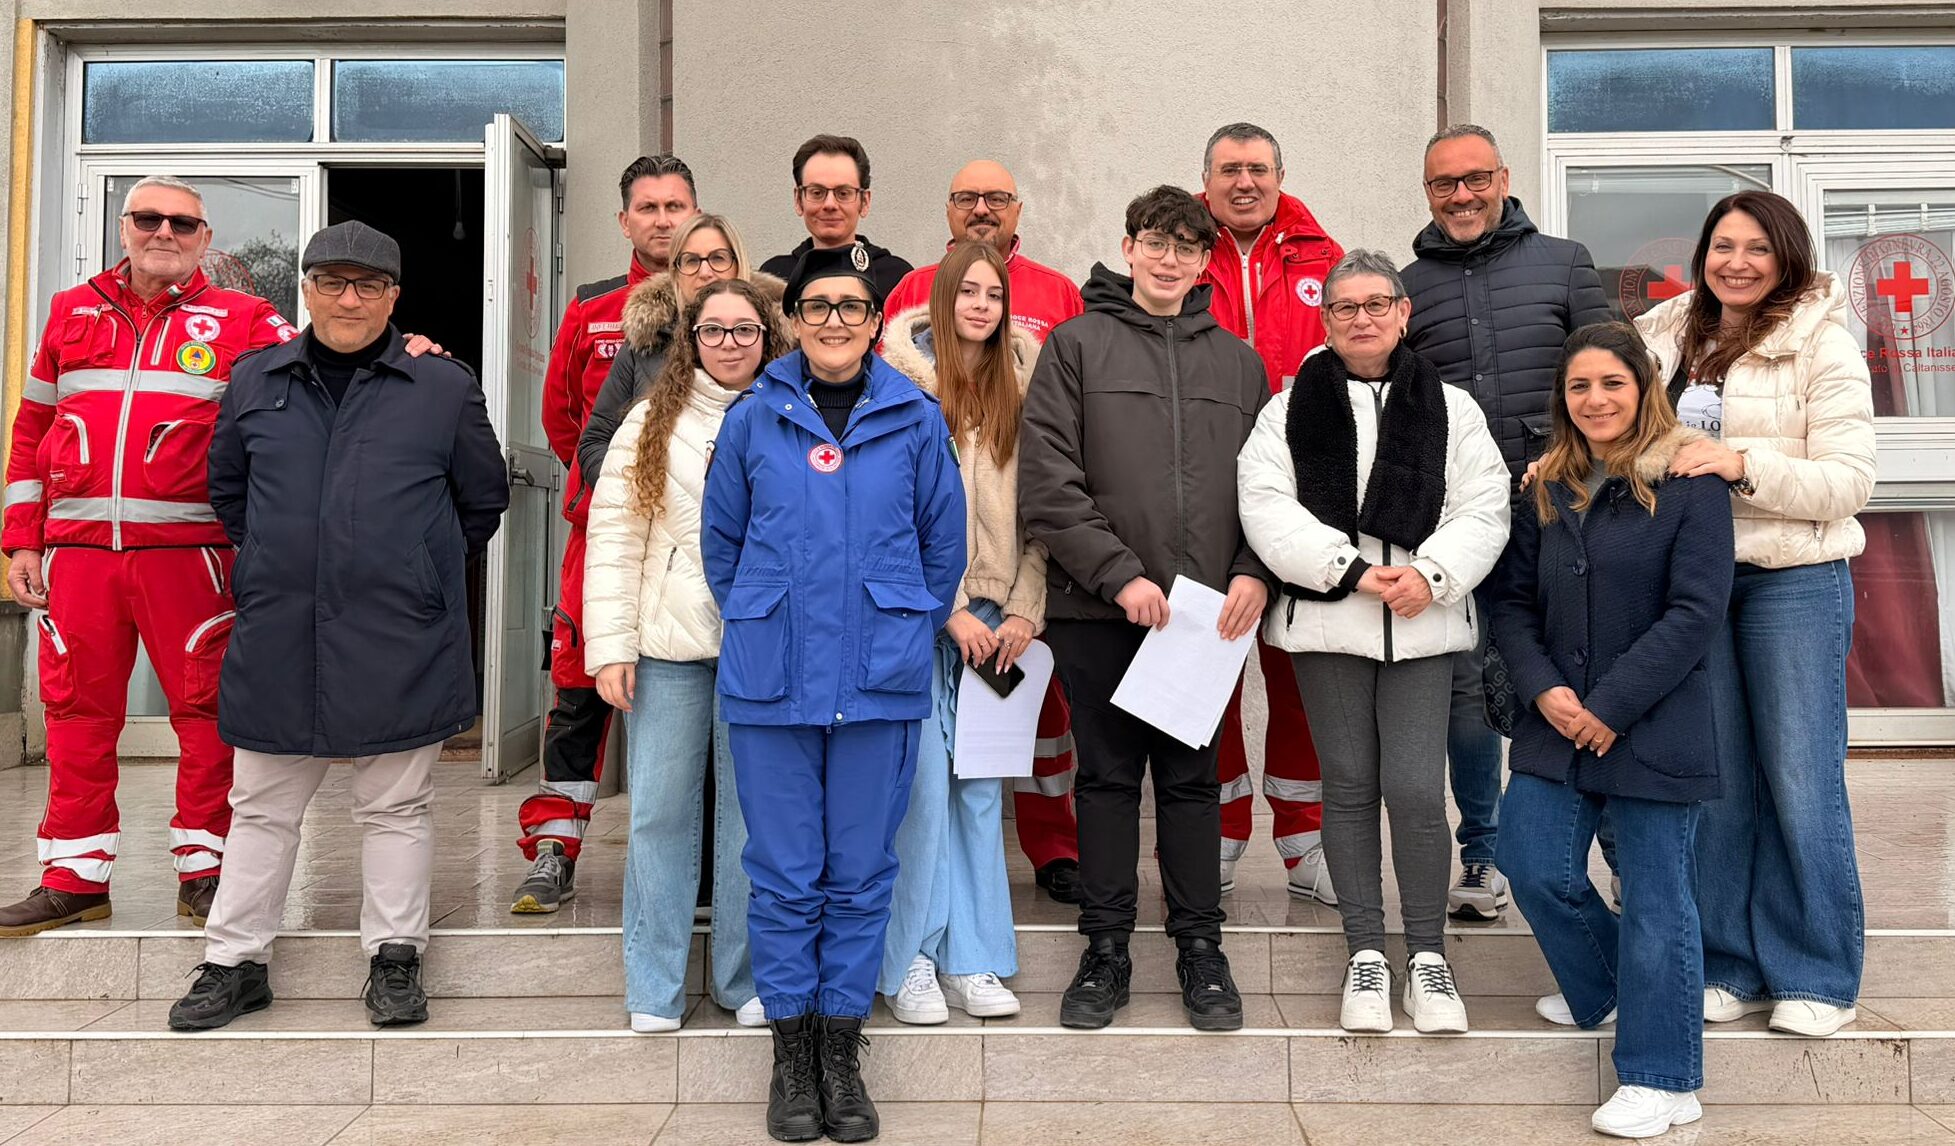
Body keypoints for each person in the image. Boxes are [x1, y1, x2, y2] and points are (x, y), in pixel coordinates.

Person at [167, 221, 508, 1031]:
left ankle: (395, 958)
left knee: (396, 804)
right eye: (331, 282)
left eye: (367, 286)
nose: (348, 299)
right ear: (306, 290)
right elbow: (229, 492)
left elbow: (481, 499)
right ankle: (234, 962)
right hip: (282, 627)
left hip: (400, 629)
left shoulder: (443, 386)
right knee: (260, 803)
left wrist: (409, 568)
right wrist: (287, 563)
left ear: (394, 296)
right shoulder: (255, 380)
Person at [702, 246, 965, 1143]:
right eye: (818, 307)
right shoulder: (752, 419)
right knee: (781, 876)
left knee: (858, 875)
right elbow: (721, 548)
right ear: (795, 319)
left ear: (873, 320)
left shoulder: (915, 417)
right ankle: (792, 1052)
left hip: (878, 678)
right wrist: (762, 616)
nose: (836, 322)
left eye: (853, 308)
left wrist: (901, 625)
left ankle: (842, 1051)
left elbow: (942, 547)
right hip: (771, 677)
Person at [0, 175, 294, 936]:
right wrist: (23, 539)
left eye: (183, 224)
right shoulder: (70, 313)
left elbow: (324, 377)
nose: (164, 232)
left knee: (207, 717)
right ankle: (75, 877)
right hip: (79, 557)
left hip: (192, 556)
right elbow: (31, 434)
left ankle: (207, 871)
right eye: (149, 219)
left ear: (205, 238)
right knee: (74, 716)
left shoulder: (247, 319)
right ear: (124, 227)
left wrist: (415, 350)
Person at [1237, 249, 1509, 1035]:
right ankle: (1364, 951)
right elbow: (1264, 504)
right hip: (1329, 622)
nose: (1361, 318)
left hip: (1423, 624)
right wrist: (1349, 570)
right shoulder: (1287, 407)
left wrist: (1431, 574)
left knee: (1419, 792)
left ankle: (1426, 956)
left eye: (1375, 303)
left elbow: (1484, 504)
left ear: (1401, 313)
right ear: (1326, 321)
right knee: (1349, 786)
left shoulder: (1451, 408)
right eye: (1344, 307)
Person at [1019, 185, 1267, 1034]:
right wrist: (1120, 575)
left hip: (1202, 621)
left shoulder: (1238, 362)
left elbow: (1266, 490)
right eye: (1155, 243)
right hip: (1099, 612)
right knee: (1108, 782)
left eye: (1186, 248)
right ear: (1126, 249)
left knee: (1194, 787)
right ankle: (1106, 951)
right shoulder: (1074, 345)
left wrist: (1248, 572)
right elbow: (1047, 482)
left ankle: (1202, 951)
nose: (1169, 259)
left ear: (1205, 261)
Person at [1634, 190, 1877, 1038]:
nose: (1735, 262)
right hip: (1692, 585)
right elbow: (1620, 435)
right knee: (1719, 784)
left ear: (1786, 258)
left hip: (1791, 581)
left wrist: (1739, 463)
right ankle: (1728, 965)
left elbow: (1848, 481)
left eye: (1756, 249)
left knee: (1801, 783)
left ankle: (1815, 970)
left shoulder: (1824, 343)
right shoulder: (1661, 335)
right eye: (1721, 245)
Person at [1490, 321, 1734, 1139]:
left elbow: (1697, 610)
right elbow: (1512, 605)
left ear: (1642, 388)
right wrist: (1546, 691)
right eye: (1578, 387)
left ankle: (1663, 1078)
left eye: (1611, 384)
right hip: (1556, 717)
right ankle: (1607, 986)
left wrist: (1611, 705)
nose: (1594, 400)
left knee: (1659, 898)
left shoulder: (1690, 482)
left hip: (1655, 719)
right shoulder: (1545, 485)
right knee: (1527, 859)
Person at [1401, 123, 1613, 922]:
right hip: (1460, 524)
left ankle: (1616, 856)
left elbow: (1611, 377)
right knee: (1469, 691)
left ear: (1503, 176)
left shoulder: (1563, 262)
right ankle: (1481, 860)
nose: (1460, 195)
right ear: (1426, 192)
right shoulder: (1407, 284)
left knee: (1584, 680)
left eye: (1473, 179)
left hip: (1568, 513)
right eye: (1442, 184)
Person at [584, 279, 791, 1033]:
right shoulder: (650, 421)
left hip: (761, 652)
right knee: (660, 817)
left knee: (752, 823)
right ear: (690, 340)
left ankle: (743, 982)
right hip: (668, 648)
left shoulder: (791, 417)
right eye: (713, 330)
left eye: (744, 330)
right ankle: (654, 986)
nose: (729, 343)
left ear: (766, 337)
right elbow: (613, 540)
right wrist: (609, 646)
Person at [884, 159, 1085, 903]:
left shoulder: (1057, 293)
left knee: (1024, 731)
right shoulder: (908, 299)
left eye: (994, 197)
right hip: (932, 599)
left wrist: (1027, 598)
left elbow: (1049, 459)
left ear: (1015, 209)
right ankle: (920, 931)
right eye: (965, 196)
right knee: (929, 773)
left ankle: (1052, 847)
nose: (980, 209)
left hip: (1006, 589)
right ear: (947, 208)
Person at [515, 153, 701, 913]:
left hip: (693, 545)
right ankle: (555, 847)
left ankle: (699, 869)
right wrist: (618, 492)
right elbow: (564, 421)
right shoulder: (591, 309)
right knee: (577, 689)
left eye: (675, 206)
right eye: (648, 208)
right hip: (606, 539)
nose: (662, 219)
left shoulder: (725, 305)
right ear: (624, 220)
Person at [877, 240, 1040, 1025]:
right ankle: (910, 957)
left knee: (978, 794)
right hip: (918, 618)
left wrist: (1023, 610)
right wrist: (939, 608)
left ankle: (973, 960)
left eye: (993, 293)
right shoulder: (897, 388)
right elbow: (881, 513)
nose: (980, 304)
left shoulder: (1025, 386)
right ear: (941, 300)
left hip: (997, 622)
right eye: (967, 291)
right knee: (915, 794)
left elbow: (1043, 514)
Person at [1195, 121, 1345, 903]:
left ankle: (1303, 842)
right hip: (1203, 506)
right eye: (1229, 170)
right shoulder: (1180, 249)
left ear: (1280, 174)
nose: (1243, 182)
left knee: (1298, 677)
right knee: (1209, 673)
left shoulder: (1324, 257)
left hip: (1302, 506)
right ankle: (1216, 839)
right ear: (1207, 178)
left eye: (1257, 169)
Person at [577, 213, 785, 490]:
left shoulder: (775, 344)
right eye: (691, 261)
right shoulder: (645, 345)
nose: (705, 272)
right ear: (675, 272)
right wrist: (637, 492)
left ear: (739, 265)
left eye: (718, 258)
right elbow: (595, 440)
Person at [758, 134, 912, 299]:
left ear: (864, 202)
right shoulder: (772, 278)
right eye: (817, 192)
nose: (829, 204)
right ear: (798, 199)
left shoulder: (900, 279)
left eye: (843, 193)